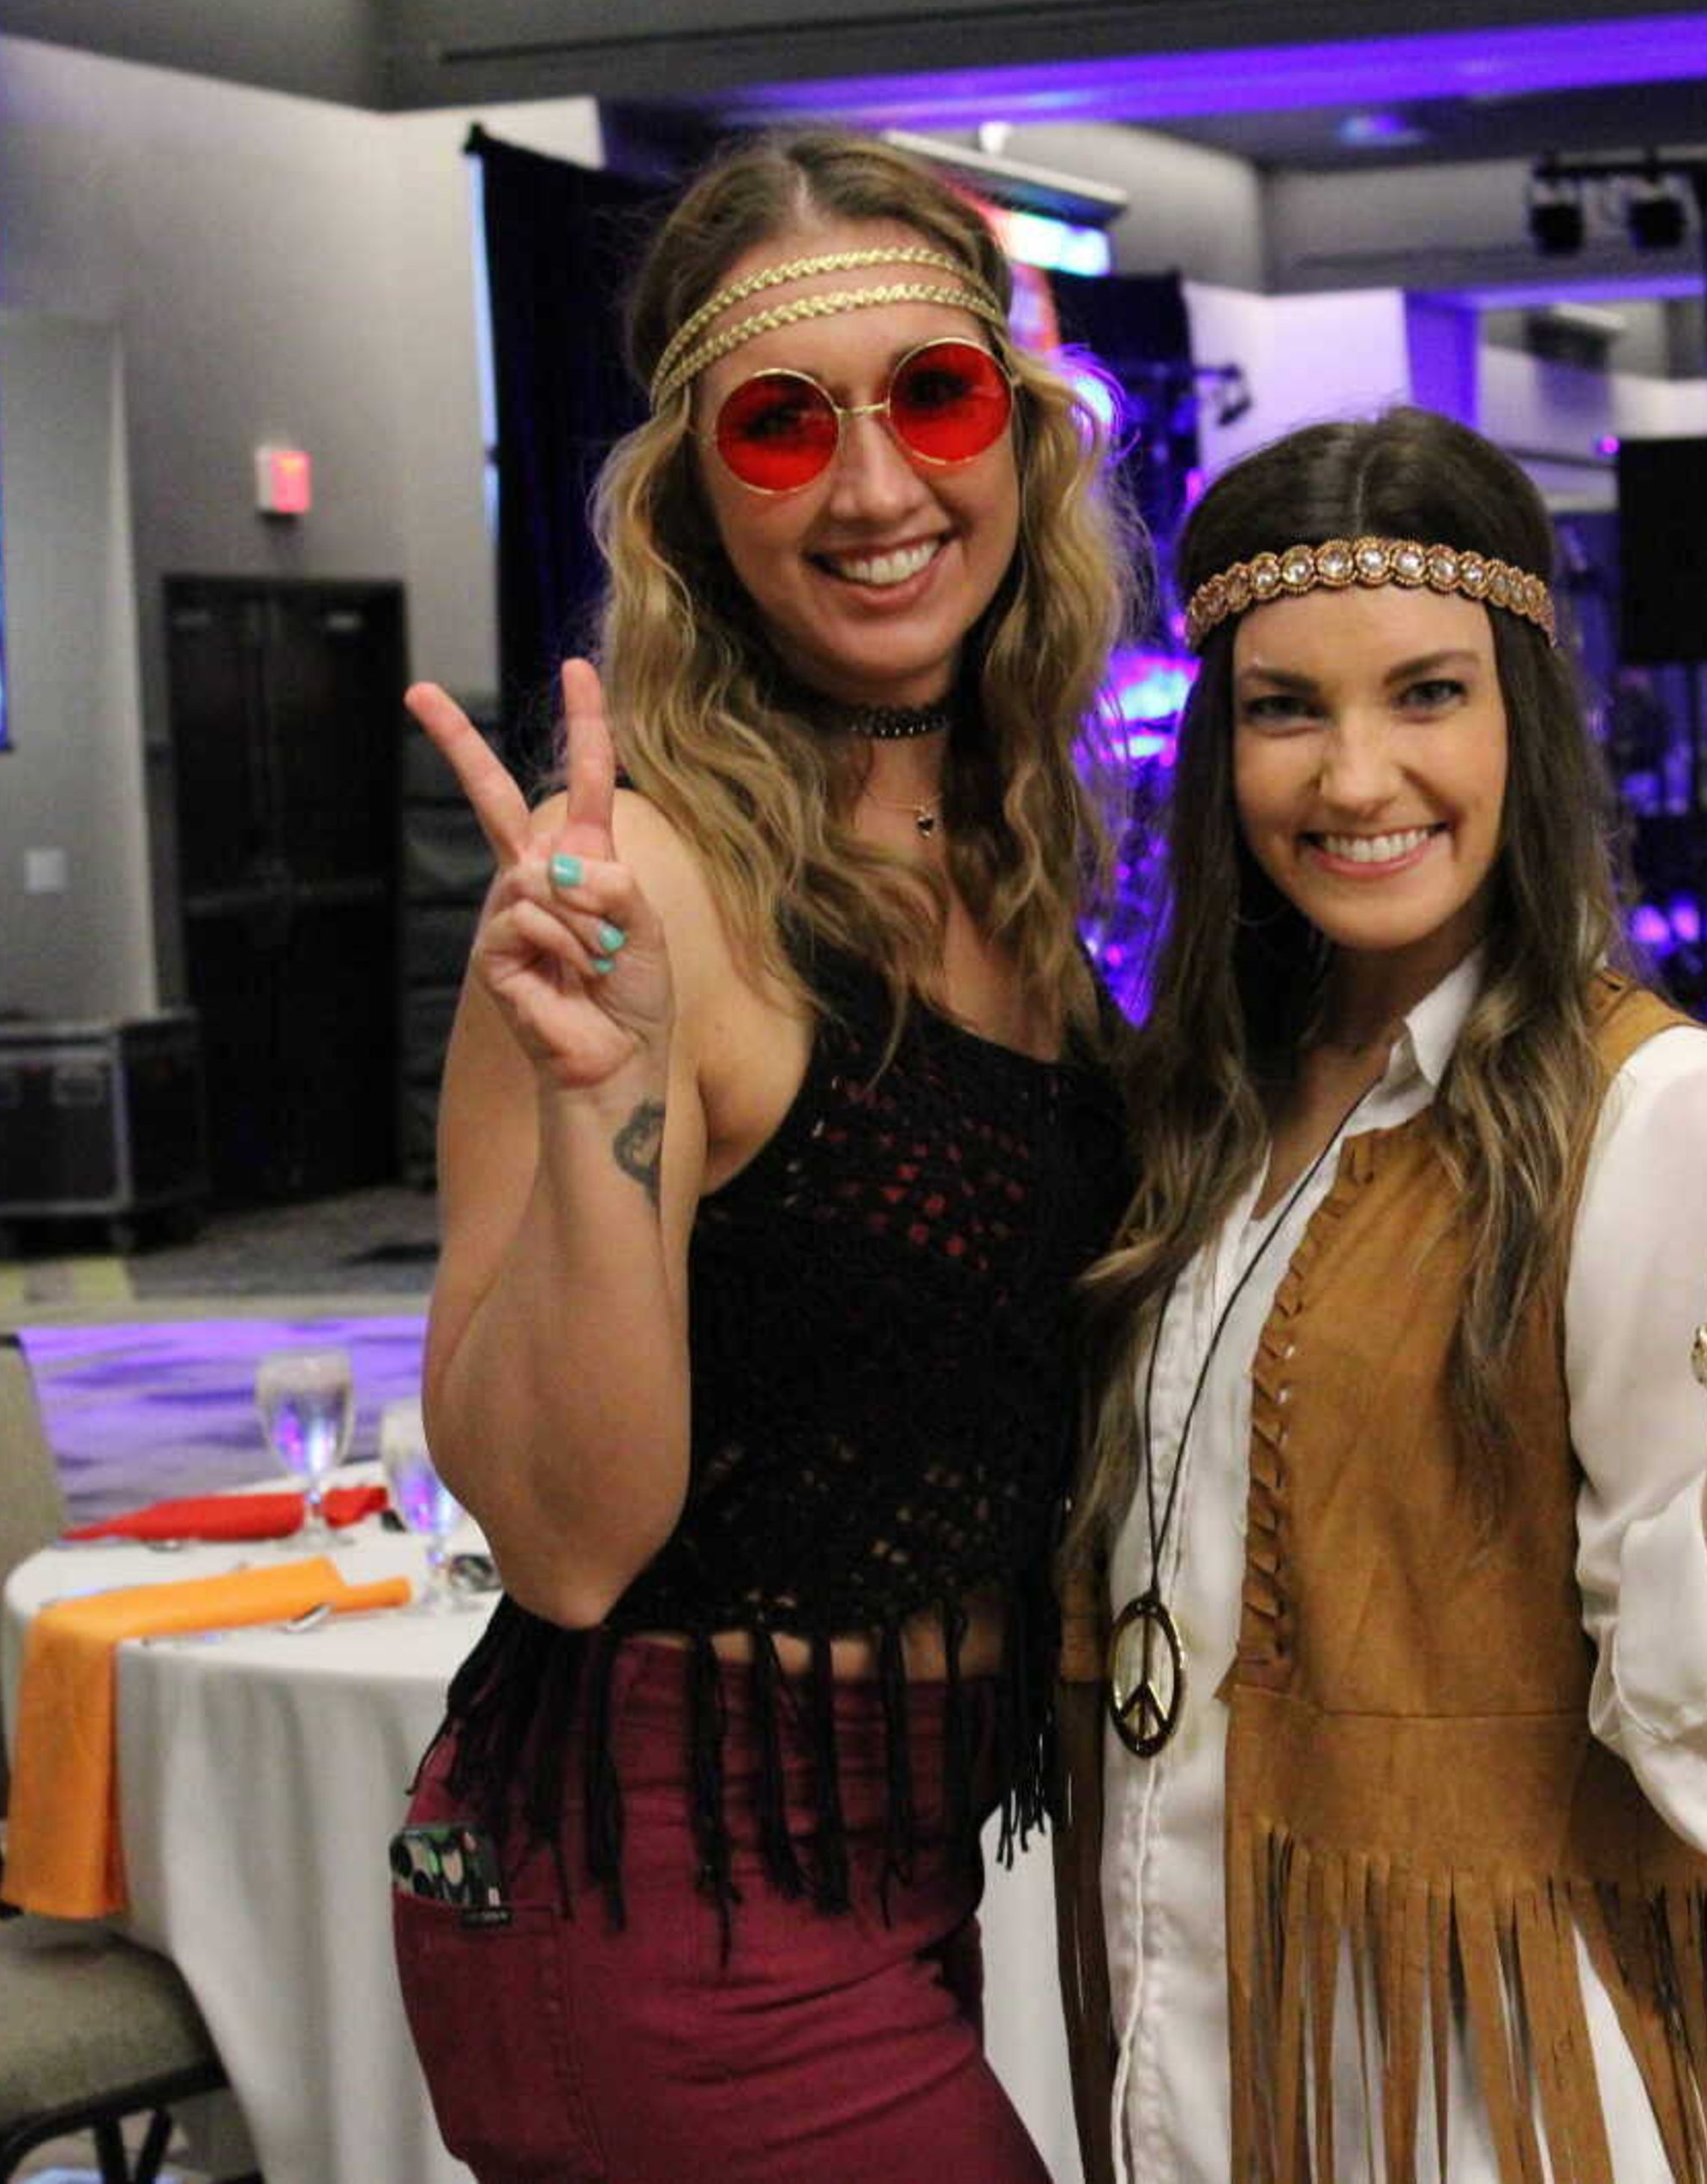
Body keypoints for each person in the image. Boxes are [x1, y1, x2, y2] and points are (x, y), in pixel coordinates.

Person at [1056, 410, 1707, 2183]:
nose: (1357, 777)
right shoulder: (1208, 1091)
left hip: (1471, 2073)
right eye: (1288, 707)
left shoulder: (1645, 1104)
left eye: (1426, 692)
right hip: (1190, 2009)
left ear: (1524, 719)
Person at [390, 130, 1139, 2181]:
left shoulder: (1011, 850)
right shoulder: (633, 892)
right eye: (788, 428)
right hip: (656, 1886)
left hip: (887, 1867)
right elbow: (562, 1537)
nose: (881, 486)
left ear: (1021, 439)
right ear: (699, 505)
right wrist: (601, 1084)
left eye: (936, 397)